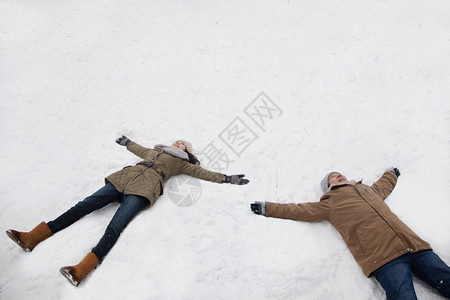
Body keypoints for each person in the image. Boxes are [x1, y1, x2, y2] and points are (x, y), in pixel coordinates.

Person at [7, 136, 249, 287]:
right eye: (177, 141)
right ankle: (32, 237)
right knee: (82, 206)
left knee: (116, 225)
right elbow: (139, 149)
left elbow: (202, 173)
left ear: (187, 151)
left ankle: (81, 270)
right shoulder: (155, 150)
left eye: (183, 145)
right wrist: (127, 143)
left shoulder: (182, 162)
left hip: (145, 188)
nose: (178, 144)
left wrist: (227, 178)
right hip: (124, 178)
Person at [250, 168, 450, 299]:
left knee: (445, 278)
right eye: (333, 176)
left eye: (339, 173)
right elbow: (298, 210)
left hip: (414, 245)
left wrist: (392, 173)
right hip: (385, 257)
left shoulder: (368, 190)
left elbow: (383, 185)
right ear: (329, 185)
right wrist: (268, 208)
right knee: (403, 296)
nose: (338, 175)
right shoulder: (330, 203)